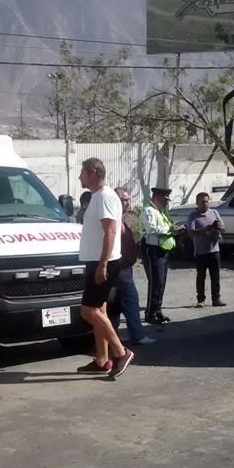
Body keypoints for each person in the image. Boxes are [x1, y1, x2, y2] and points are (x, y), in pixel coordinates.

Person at [74, 158, 134, 379]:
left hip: (104, 263)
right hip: (97, 262)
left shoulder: (106, 196)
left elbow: (110, 232)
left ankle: (121, 352)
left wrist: (102, 265)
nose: (80, 177)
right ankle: (102, 360)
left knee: (88, 311)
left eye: (82, 173)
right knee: (100, 311)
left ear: (92, 172)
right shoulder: (98, 197)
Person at [107, 187, 156, 345]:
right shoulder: (111, 219)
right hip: (118, 268)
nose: (126, 203)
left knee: (116, 303)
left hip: (125, 267)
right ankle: (137, 335)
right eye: (123, 200)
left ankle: (113, 337)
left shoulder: (126, 218)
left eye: (128, 200)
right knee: (130, 301)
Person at [140, 186, 180, 324]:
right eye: (164, 199)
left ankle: (158, 310)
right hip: (153, 250)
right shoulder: (148, 211)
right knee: (155, 283)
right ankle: (150, 313)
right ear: (157, 197)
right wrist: (169, 229)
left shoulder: (160, 211)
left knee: (161, 283)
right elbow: (151, 229)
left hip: (162, 250)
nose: (166, 203)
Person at [188, 192, 226, 308]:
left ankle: (216, 298)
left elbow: (224, 228)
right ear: (197, 203)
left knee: (215, 276)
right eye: (202, 202)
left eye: (207, 201)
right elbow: (190, 233)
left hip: (214, 250)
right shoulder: (193, 216)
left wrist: (219, 227)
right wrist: (204, 229)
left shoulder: (214, 212)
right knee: (201, 277)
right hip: (201, 252)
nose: (205, 204)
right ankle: (201, 299)